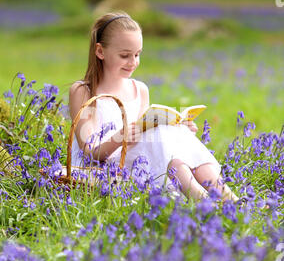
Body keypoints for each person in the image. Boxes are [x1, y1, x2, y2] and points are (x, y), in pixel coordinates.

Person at [69, 11, 239, 203]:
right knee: (161, 137)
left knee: (169, 136)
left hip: (139, 161)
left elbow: (146, 133)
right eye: (125, 55)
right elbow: (89, 151)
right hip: (105, 167)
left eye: (137, 54)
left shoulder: (140, 89)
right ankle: (205, 202)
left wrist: (179, 129)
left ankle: (229, 200)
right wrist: (120, 138)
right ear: (100, 52)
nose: (133, 62)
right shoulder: (85, 91)